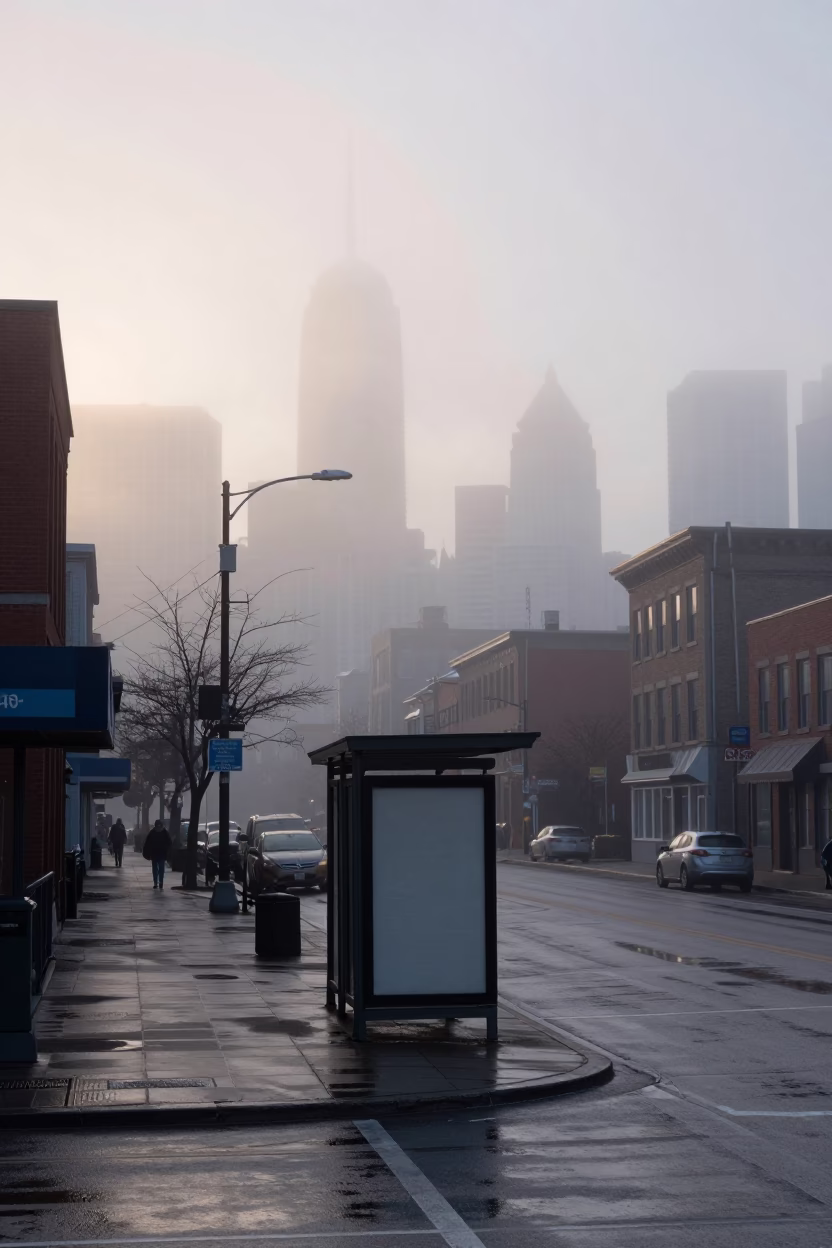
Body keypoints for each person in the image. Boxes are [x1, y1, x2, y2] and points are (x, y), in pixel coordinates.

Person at [144, 819, 172, 890]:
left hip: (156, 853)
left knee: (157, 869)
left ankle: (157, 882)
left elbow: (147, 843)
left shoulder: (152, 832)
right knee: (160, 869)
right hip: (159, 853)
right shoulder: (164, 832)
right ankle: (159, 882)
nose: (159, 828)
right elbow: (169, 842)